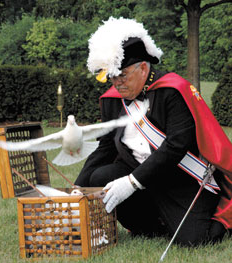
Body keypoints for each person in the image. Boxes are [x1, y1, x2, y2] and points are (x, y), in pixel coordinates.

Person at [75, 17, 232, 246]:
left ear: (143, 67)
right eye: (111, 76)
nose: (116, 83)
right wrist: (78, 187)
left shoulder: (173, 90)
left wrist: (131, 183)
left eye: (122, 75)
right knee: (99, 177)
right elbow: (107, 145)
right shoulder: (111, 101)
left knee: (194, 240)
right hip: (137, 170)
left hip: (180, 176)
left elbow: (175, 146)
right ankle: (151, 225)